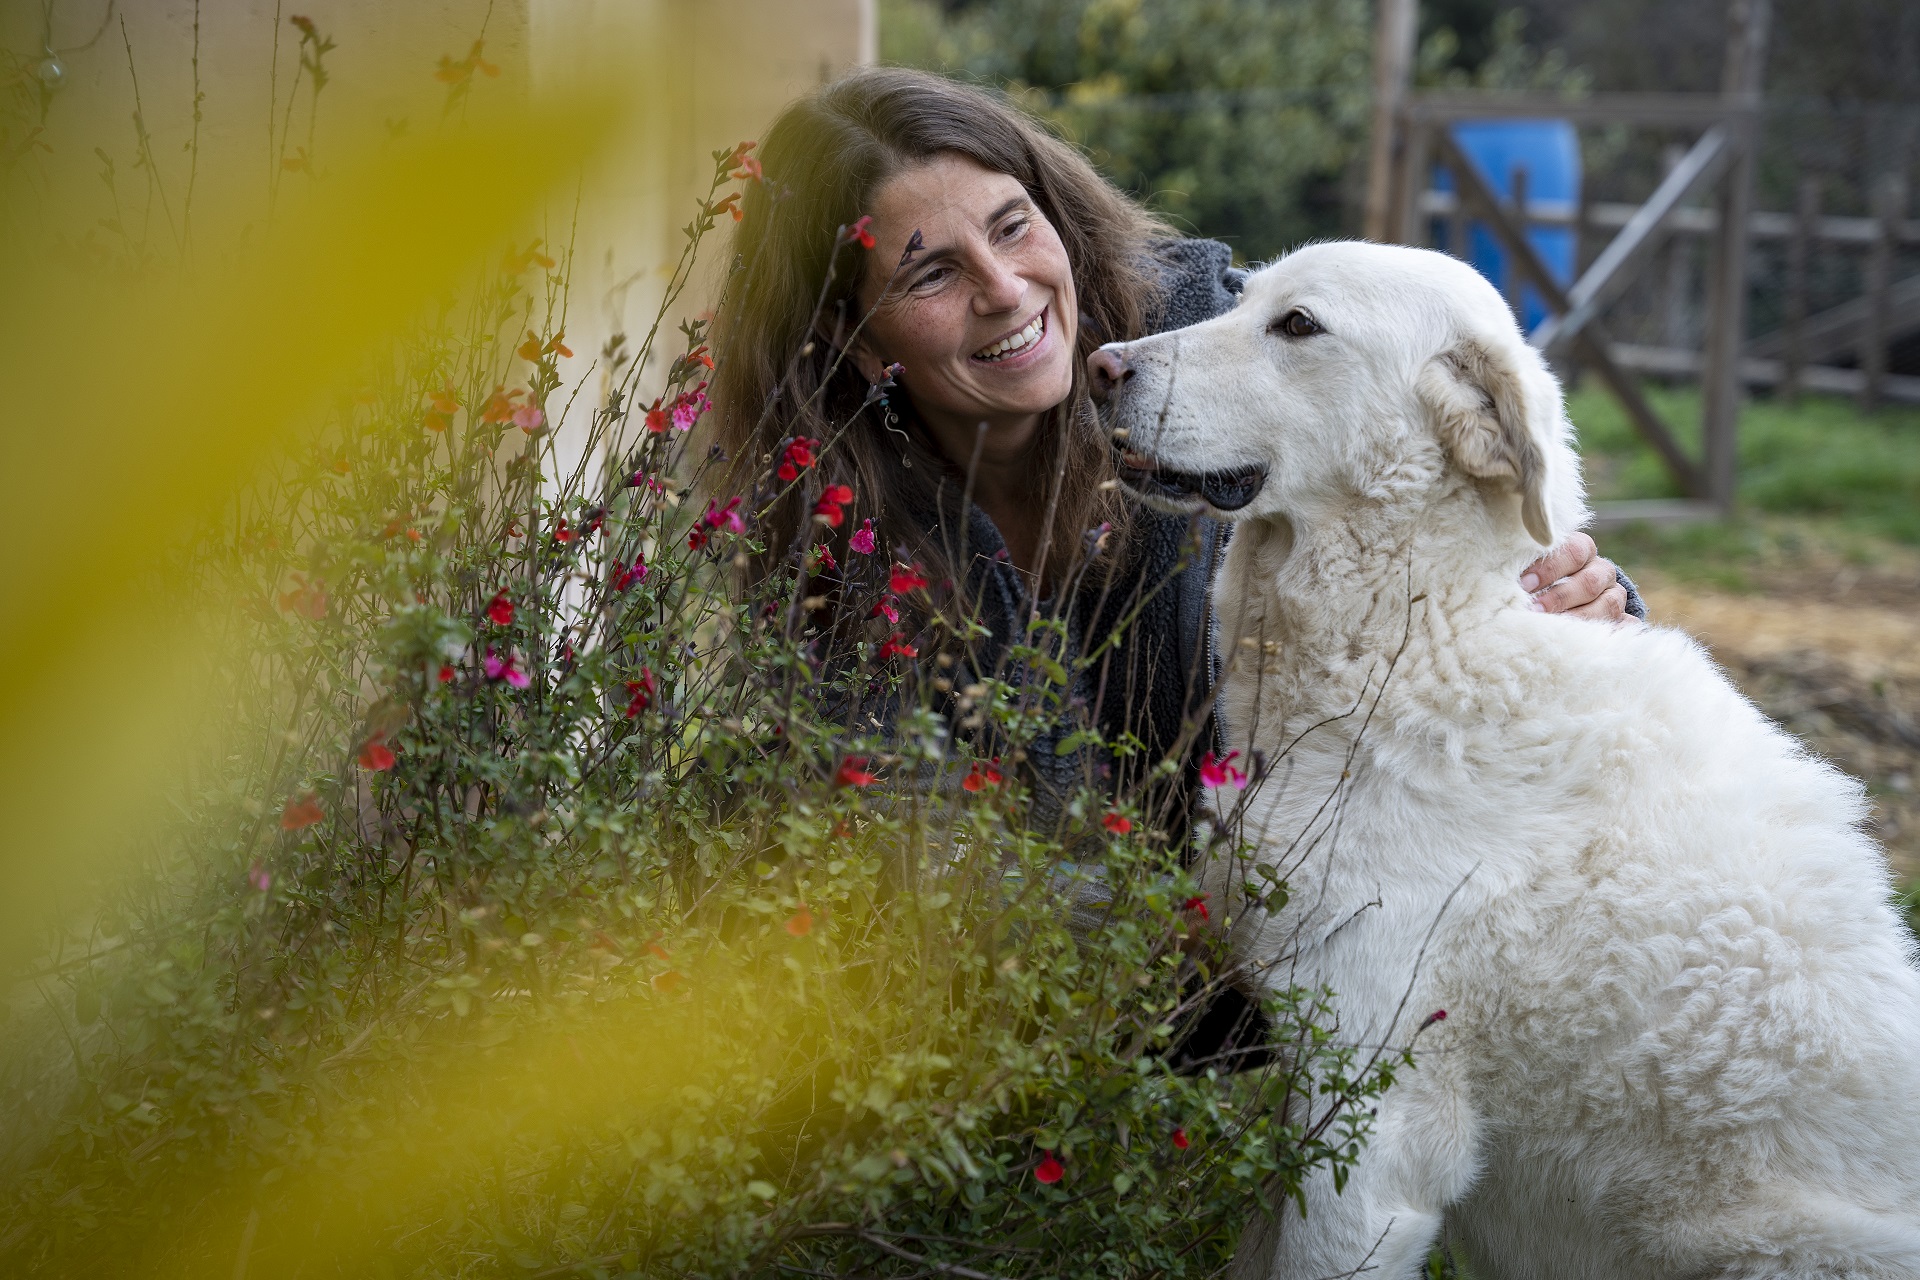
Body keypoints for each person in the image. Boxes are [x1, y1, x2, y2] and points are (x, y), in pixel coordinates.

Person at [707, 67, 1642, 1059]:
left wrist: (1584, 602)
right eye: (929, 271)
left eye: (1014, 225)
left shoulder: (1236, 360)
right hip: (1048, 1049)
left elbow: (1451, 532)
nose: (1003, 288)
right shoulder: (835, 527)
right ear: (852, 338)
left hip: (1356, 989)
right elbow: (884, 865)